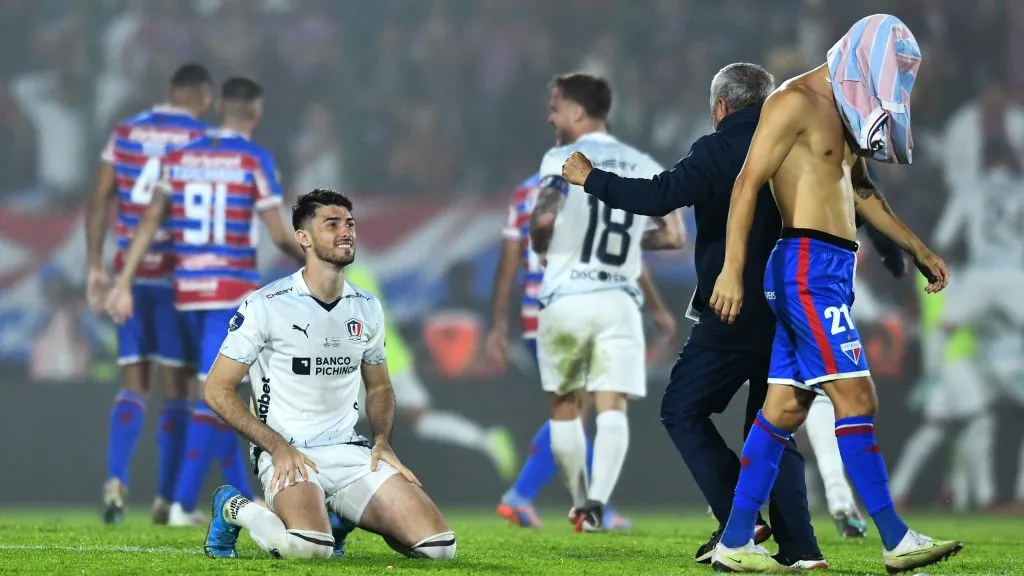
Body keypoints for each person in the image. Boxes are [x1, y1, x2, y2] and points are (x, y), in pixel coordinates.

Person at [705, 15, 962, 573]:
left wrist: (919, 248)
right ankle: (895, 539)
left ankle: (734, 542)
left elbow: (862, 192)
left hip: (831, 270)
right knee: (858, 399)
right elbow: (748, 182)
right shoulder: (792, 100)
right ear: (863, 57)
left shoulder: (845, 109)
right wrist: (731, 269)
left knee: (785, 407)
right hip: (804, 268)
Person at [563, 62, 825, 568]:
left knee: (681, 408)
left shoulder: (718, 148)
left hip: (732, 312)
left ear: (721, 107)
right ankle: (801, 549)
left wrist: (591, 178)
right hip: (790, 310)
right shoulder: (797, 144)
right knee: (773, 429)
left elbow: (658, 195)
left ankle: (736, 520)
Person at [202, 189, 455, 560]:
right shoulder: (265, 305)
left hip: (348, 451)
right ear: (303, 238)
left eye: (349, 224)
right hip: (289, 451)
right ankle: (235, 507)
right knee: (308, 550)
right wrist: (276, 447)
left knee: (439, 549)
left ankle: (335, 515)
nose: (345, 232)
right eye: (331, 224)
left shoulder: (367, 306)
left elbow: (381, 386)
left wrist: (382, 440)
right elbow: (216, 390)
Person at [106, 77, 303, 526]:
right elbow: (276, 233)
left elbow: (149, 223)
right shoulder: (253, 159)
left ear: (221, 108)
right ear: (254, 111)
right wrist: (313, 254)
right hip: (229, 293)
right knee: (218, 395)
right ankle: (180, 503)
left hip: (184, 293)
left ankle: (239, 496)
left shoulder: (179, 158)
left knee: (209, 394)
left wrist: (124, 282)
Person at [530, 72, 685, 532]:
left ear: (577, 111)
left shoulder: (561, 157)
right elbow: (674, 234)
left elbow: (542, 218)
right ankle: (598, 501)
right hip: (618, 298)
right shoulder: (642, 163)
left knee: (564, 406)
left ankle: (580, 502)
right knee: (611, 404)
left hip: (566, 297)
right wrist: (630, 237)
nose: (550, 116)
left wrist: (545, 242)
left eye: (555, 107)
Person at [487, 174, 674, 529]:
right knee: (582, 409)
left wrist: (498, 323)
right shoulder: (593, 187)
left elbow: (509, 262)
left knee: (571, 411)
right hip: (575, 308)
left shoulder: (526, 188)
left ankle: (562, 501)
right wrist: (659, 309)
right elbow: (622, 255)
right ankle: (540, 497)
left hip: (535, 315)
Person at [85, 63, 213, 525]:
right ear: (202, 95)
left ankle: (116, 478)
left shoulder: (125, 132)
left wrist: (94, 268)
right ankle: (165, 500)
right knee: (178, 389)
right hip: (178, 278)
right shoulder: (202, 138)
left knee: (133, 385)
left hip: (130, 277)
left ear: (166, 91)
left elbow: (99, 197)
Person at [345, 263, 518, 480]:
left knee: (412, 416)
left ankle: (486, 440)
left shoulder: (346, 277)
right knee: (416, 417)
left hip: (378, 363)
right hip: (381, 362)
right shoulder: (355, 273)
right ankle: (485, 440)